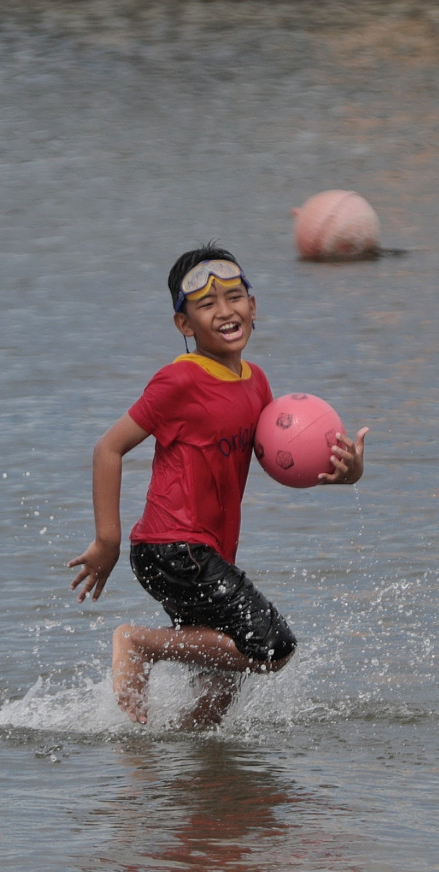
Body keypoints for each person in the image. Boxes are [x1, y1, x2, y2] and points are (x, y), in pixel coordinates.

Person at [69, 244, 368, 726]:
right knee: (272, 648)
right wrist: (107, 540)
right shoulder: (179, 380)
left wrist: (346, 471)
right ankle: (137, 643)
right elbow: (108, 448)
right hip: (173, 549)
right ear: (184, 326)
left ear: (254, 306)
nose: (225, 311)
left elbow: (285, 460)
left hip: (207, 553)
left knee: (221, 688)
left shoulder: (257, 383)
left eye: (235, 297)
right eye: (207, 305)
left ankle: (187, 781)